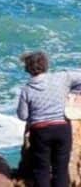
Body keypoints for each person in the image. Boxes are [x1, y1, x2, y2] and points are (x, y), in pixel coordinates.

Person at [17, 51, 81, 187]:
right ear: (46, 64)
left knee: (42, 169)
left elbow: (23, 116)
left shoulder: (26, 89)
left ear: (27, 68)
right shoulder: (62, 78)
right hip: (62, 128)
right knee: (61, 169)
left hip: (40, 131)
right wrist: (74, 93)